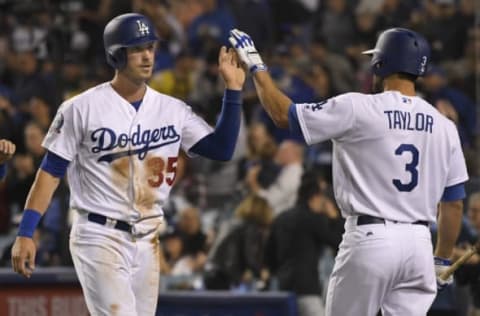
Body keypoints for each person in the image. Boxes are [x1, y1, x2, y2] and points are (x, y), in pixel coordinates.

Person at [11, 13, 246, 316]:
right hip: (98, 234)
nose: (147, 55)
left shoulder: (172, 109)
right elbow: (51, 172)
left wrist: (234, 91)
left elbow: (221, 149)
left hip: (148, 237)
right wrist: (26, 232)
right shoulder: (81, 108)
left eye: (150, 47)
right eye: (137, 49)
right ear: (116, 54)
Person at [229, 27, 468, 316]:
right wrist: (441, 261)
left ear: (380, 64)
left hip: (372, 238)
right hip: (418, 245)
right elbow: (453, 203)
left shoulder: (358, 107)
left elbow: (283, 115)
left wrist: (256, 65)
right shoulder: (444, 126)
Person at [264, 170, 343, 316]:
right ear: (315, 197)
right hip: (307, 289)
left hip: (283, 288)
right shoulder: (313, 219)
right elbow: (338, 242)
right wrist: (334, 218)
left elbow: (269, 256)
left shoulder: (281, 218)